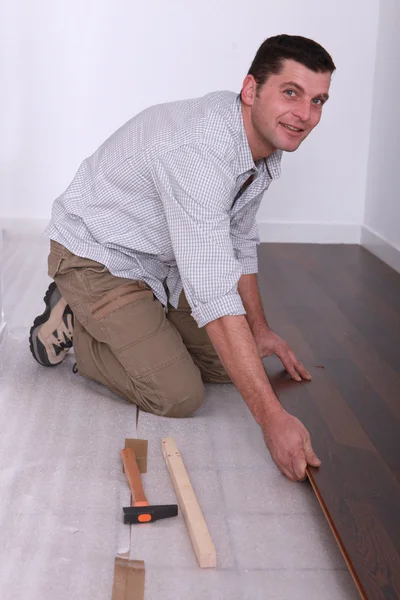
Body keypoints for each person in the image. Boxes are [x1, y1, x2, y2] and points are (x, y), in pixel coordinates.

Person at [29, 34, 335, 482]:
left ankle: (138, 326)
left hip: (159, 265)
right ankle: (76, 323)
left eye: (318, 100)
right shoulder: (200, 153)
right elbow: (213, 291)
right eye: (291, 93)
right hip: (99, 256)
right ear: (251, 90)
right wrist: (273, 421)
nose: (305, 115)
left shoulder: (259, 146)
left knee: (229, 366)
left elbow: (239, 238)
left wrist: (259, 330)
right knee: (177, 394)